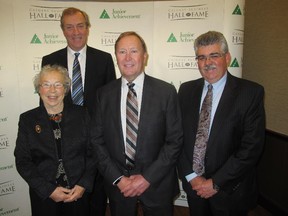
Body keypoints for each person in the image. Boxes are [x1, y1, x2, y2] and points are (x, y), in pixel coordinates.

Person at [90, 31, 183, 216]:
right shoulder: (103, 94)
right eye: (122, 51)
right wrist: (118, 179)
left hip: (158, 184)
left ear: (145, 56)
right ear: (116, 57)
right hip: (119, 188)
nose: (128, 57)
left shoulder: (166, 92)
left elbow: (175, 141)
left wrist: (147, 178)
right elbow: (96, 141)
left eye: (134, 51)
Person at [177, 31, 265, 216]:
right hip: (195, 187)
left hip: (230, 190)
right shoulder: (185, 90)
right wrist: (192, 177)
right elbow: (178, 138)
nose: (207, 63)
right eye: (201, 57)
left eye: (214, 56)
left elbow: (251, 147)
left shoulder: (250, 93)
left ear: (227, 57)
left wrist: (216, 182)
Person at [41, 7, 116, 215]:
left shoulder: (104, 59)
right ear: (63, 30)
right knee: (68, 203)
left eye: (80, 26)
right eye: (70, 27)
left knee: (96, 198)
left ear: (88, 28)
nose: (76, 32)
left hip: (96, 142)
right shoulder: (50, 59)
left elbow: (111, 103)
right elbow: (45, 104)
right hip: (63, 145)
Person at [14, 65, 95, 216]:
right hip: (44, 196)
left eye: (58, 85)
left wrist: (84, 184)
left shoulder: (82, 115)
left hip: (77, 193)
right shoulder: (27, 120)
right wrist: (48, 190)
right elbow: (22, 161)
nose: (52, 91)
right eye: (46, 85)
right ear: (39, 89)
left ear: (65, 89)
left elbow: (93, 153)